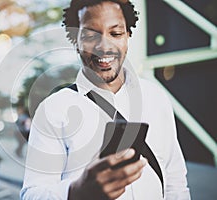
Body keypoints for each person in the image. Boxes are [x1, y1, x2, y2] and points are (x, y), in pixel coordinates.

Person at [20, 0, 190, 199]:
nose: (104, 46)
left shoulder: (156, 97)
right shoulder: (53, 110)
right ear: (75, 40)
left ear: (128, 35)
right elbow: (32, 194)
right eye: (91, 35)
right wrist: (76, 192)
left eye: (116, 33)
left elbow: (175, 183)